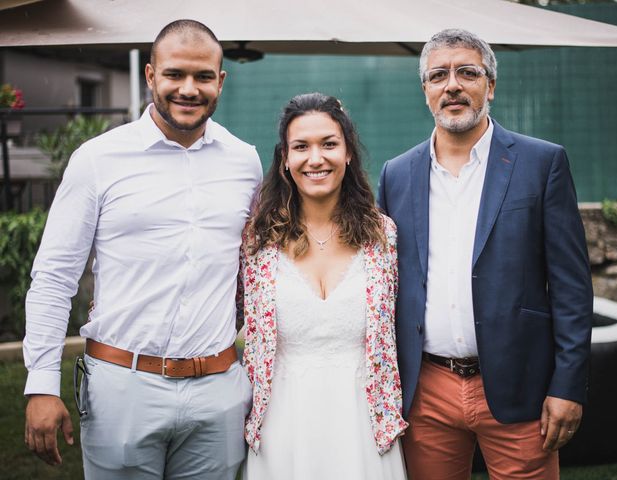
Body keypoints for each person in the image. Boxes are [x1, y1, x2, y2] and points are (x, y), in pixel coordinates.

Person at [23, 19, 261, 479]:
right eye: (174, 75)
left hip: (219, 389)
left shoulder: (245, 161)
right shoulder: (97, 159)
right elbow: (54, 277)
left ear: (221, 81)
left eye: (203, 77)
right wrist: (40, 385)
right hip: (122, 388)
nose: (188, 89)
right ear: (151, 75)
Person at [378, 29, 593, 480]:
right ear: (426, 91)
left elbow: (572, 287)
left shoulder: (542, 163)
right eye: (438, 75)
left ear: (490, 85)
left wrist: (568, 385)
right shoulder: (395, 175)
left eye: (467, 72)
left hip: (521, 384)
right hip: (427, 390)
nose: (452, 84)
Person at [239, 92, 408, 480]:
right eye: (301, 147)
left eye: (329, 144)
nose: (315, 159)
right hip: (282, 421)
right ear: (285, 159)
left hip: (365, 424)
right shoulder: (256, 243)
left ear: (348, 153)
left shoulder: (383, 237)